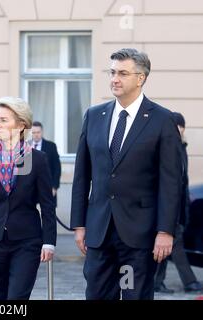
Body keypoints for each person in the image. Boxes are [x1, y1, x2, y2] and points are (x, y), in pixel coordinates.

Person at [70, 48, 182, 300]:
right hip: (99, 233)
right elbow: (81, 175)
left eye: (122, 73)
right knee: (98, 295)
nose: (114, 79)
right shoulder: (94, 116)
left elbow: (171, 182)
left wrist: (165, 231)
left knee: (133, 296)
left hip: (139, 235)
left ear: (140, 78)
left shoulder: (162, 120)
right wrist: (79, 224)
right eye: (112, 72)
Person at [0, 97, 56, 300]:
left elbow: (47, 205)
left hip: (27, 241)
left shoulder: (38, 159)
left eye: (4, 120)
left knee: (16, 298)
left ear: (21, 124)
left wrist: (49, 241)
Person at [154, 112, 203, 294]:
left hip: (179, 205)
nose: (181, 130)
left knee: (167, 246)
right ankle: (190, 282)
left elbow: (183, 180)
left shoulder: (180, 147)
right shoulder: (167, 147)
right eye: (179, 126)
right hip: (168, 205)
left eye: (182, 127)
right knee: (175, 243)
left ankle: (156, 282)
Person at [31, 121, 61, 203]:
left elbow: (57, 167)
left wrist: (54, 187)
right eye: (33, 132)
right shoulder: (25, 146)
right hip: (30, 189)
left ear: (42, 132)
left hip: (48, 187)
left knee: (49, 214)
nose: (36, 135)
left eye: (38, 132)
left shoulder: (51, 146)